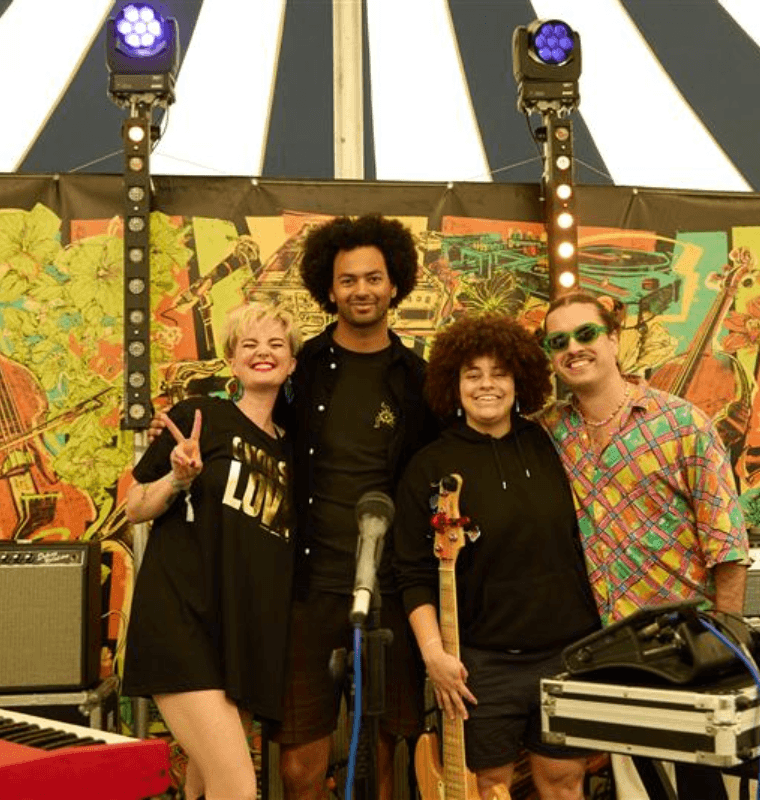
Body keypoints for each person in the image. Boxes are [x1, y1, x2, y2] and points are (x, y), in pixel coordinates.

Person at [535, 291, 750, 800]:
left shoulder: (681, 423)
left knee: (705, 788)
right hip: (611, 656)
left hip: (686, 648)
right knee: (639, 789)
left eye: (586, 334)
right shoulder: (548, 432)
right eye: (558, 340)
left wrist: (726, 645)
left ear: (613, 340)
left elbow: (727, 542)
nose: (573, 348)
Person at [393, 313, 602, 800]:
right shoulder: (429, 466)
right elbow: (411, 573)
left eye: (499, 373)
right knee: (488, 790)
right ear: (453, 383)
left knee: (565, 783)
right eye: (473, 374)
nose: (487, 385)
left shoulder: (553, 444)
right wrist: (434, 656)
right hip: (480, 666)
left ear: (520, 379)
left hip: (567, 654)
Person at [275, 214, 440, 800]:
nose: (362, 290)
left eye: (374, 278)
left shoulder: (422, 381)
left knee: (382, 763)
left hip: (392, 594)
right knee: (298, 767)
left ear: (395, 283)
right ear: (329, 287)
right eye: (348, 280)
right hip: (309, 589)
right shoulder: (301, 371)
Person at [122, 301, 302, 800]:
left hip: (241, 636)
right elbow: (135, 506)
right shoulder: (200, 418)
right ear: (232, 360)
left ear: (291, 363)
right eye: (249, 344)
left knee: (204, 787)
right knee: (238, 788)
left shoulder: (292, 449)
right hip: (182, 620)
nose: (262, 353)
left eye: (275, 345)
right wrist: (178, 480)